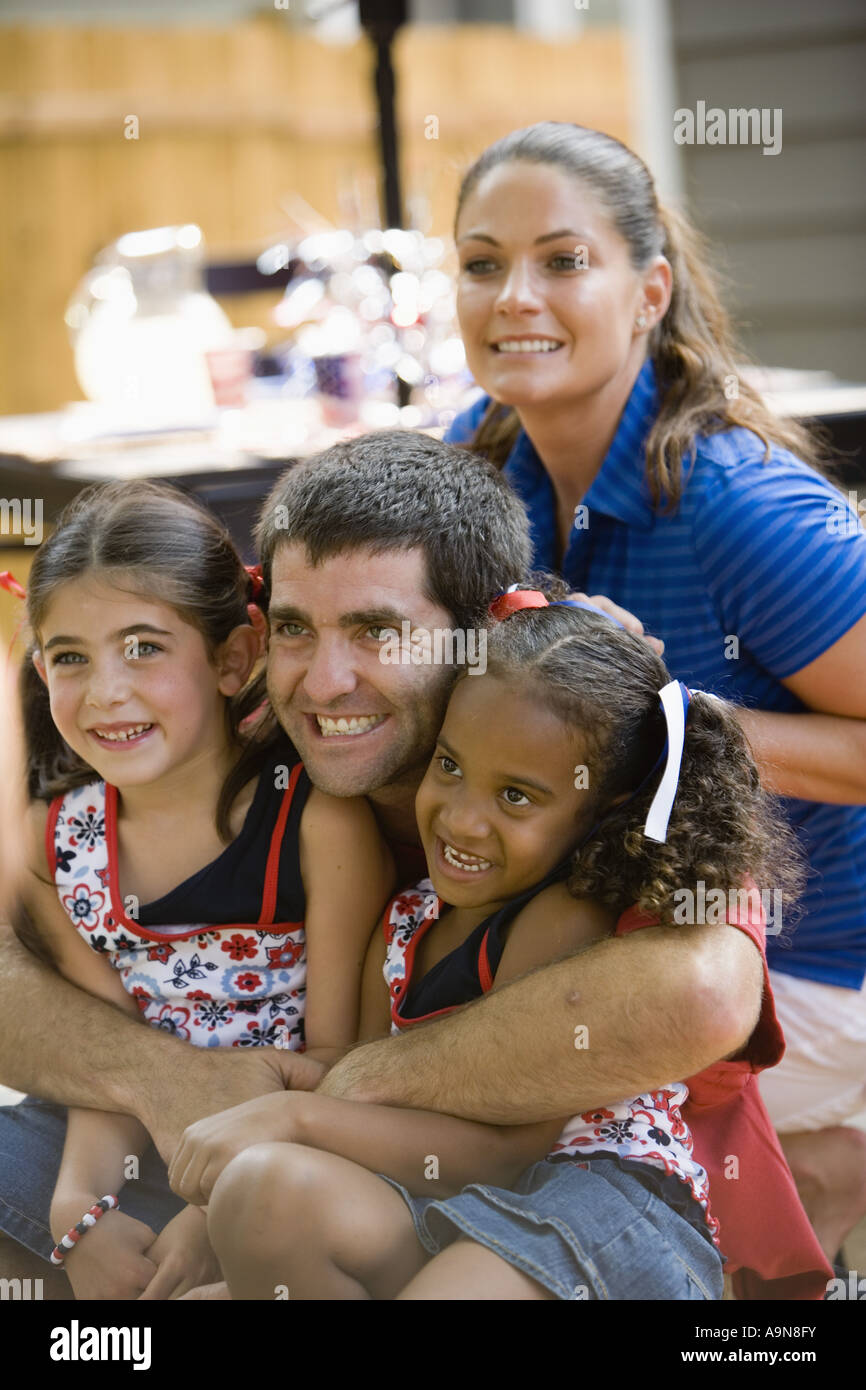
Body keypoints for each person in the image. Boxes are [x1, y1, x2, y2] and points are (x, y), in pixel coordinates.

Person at [0, 432, 785, 1297]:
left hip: (561, 1179)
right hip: (294, 1158)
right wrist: (167, 1083)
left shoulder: (591, 746)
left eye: (378, 631)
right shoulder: (230, 732)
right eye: (297, 629)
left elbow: (700, 995)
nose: (325, 682)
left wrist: (324, 1095)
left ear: (485, 632)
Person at [443, 121, 866, 1259]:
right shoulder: (479, 468)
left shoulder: (740, 505)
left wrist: (672, 719)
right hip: (630, 933)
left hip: (818, 963)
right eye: (482, 263)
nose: (513, 296)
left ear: (648, 292)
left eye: (562, 260)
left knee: (530, 1125)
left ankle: (818, 1176)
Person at [168, 590, 804, 1300]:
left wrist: (290, 1117)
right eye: (449, 766)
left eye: (516, 797)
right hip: (449, 1194)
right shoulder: (407, 920)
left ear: (606, 808)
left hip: (588, 1201)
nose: (462, 819)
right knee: (261, 1195)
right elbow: (377, 1105)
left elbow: (509, 1152)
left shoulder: (563, 919)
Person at [9, 479, 393, 1300]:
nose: (106, 691)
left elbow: (339, 1065)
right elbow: (104, 1062)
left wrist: (217, 1206)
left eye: (144, 647)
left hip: (295, 1160)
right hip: (129, 1147)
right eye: (70, 657)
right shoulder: (59, 842)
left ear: (232, 658)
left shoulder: (317, 822)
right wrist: (79, 1215)